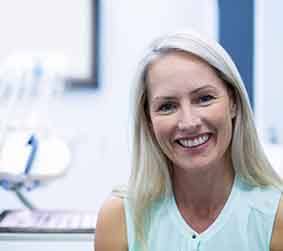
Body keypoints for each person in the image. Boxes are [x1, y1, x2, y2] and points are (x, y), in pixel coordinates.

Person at [94, 30, 283, 251]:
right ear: (148, 119)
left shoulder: (275, 216)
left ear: (233, 102)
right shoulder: (119, 218)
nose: (189, 122)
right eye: (167, 106)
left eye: (204, 99)